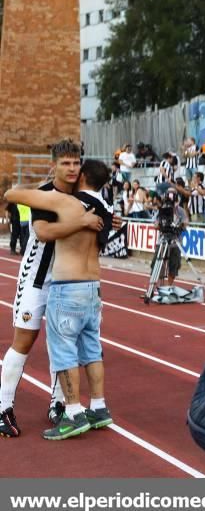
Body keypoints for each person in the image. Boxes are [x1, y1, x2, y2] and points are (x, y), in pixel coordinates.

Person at [0, 140, 105, 438]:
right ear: (54, 165)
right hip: (36, 278)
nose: (72, 169)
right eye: (65, 163)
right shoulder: (45, 194)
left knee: (65, 342)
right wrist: (82, 220)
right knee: (24, 340)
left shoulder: (85, 194)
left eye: (76, 163)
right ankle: (2, 407)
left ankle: (59, 404)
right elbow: (43, 233)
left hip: (68, 281)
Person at [151, 188, 188, 289]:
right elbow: (156, 225)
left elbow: (185, 224)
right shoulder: (162, 209)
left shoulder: (180, 210)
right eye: (168, 194)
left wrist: (178, 225)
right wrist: (161, 225)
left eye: (172, 194)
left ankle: (169, 287)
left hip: (175, 241)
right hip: (162, 241)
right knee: (156, 265)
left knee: (174, 266)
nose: (170, 197)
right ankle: (152, 289)